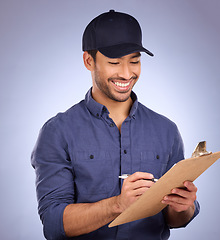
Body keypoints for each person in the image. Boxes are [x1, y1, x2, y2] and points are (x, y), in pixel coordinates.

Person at [31, 10, 200, 240]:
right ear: (88, 61)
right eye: (114, 62)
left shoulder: (167, 131)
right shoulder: (57, 132)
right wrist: (118, 204)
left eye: (134, 61)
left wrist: (184, 207)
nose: (126, 73)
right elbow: (53, 223)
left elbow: (174, 220)